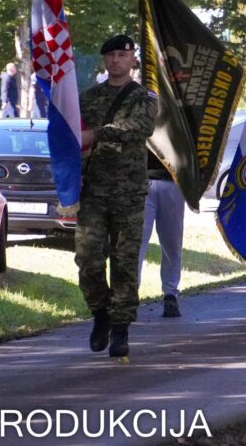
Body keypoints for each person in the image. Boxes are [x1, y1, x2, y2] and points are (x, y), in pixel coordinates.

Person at [77, 34, 158, 357]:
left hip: (129, 193)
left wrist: (98, 132)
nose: (116, 61)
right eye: (110, 55)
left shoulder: (144, 98)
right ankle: (100, 314)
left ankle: (121, 328)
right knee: (88, 260)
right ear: (104, 60)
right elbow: (70, 133)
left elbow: (139, 127)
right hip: (94, 191)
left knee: (124, 263)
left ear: (132, 59)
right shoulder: (88, 98)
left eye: (122, 55)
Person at [138, 152, 186, 317]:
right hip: (143, 182)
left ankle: (170, 294)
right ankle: (128, 296)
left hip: (173, 181)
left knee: (172, 243)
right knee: (137, 243)